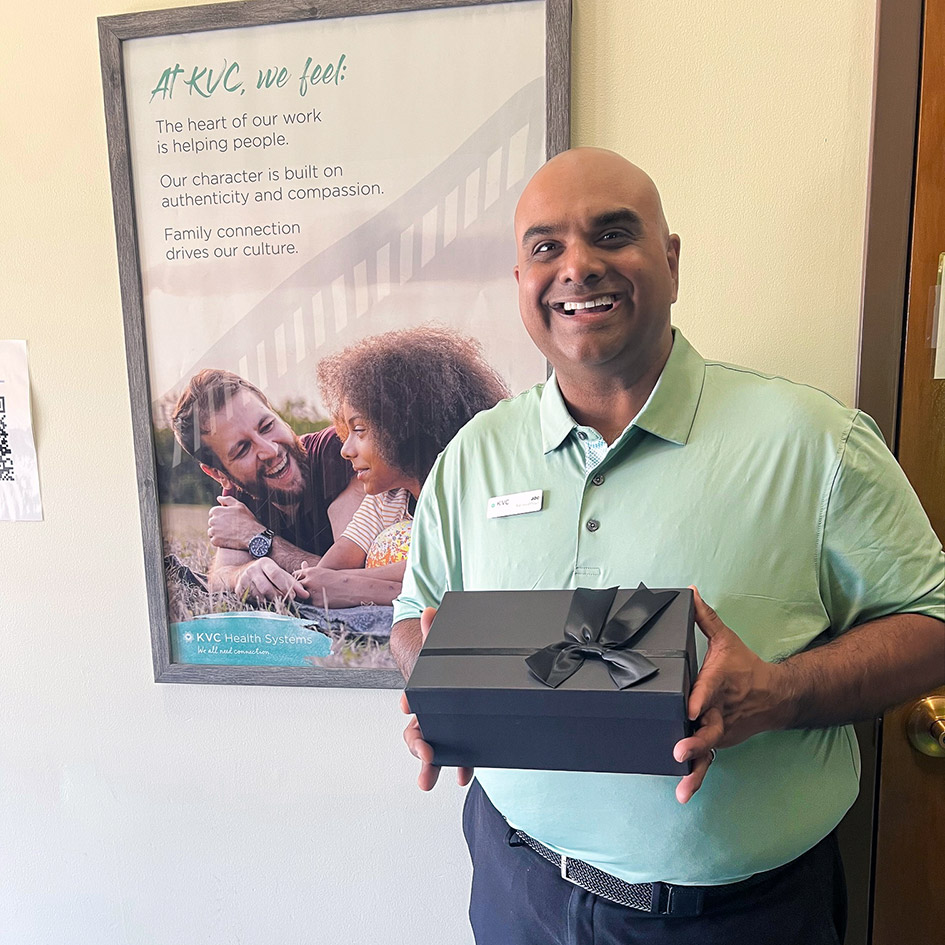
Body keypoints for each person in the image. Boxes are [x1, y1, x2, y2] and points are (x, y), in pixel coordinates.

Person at [391, 148, 945, 944]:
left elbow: (932, 625)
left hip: (735, 919)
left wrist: (780, 692)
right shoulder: (473, 454)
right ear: (520, 280)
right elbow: (413, 617)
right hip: (517, 887)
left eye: (612, 234)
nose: (577, 266)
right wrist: (443, 694)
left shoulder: (813, 442)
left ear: (670, 260)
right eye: (546, 246)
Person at [292, 326, 509, 608]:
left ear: (404, 427)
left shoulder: (468, 493)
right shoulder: (388, 498)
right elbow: (339, 559)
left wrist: (350, 584)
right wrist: (310, 580)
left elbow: (439, 571)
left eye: (359, 430)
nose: (346, 450)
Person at [171, 369, 360, 602]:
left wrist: (259, 538)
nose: (270, 450)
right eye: (242, 449)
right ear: (220, 475)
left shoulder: (339, 451)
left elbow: (354, 579)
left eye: (267, 426)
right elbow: (219, 577)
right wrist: (242, 575)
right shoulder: (240, 494)